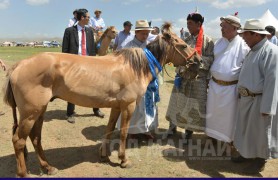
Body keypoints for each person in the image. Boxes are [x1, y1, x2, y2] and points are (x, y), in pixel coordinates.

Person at [232, 19, 278, 174]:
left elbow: (273, 82)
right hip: (247, 99)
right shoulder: (253, 49)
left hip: (260, 101)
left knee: (260, 134)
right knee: (246, 130)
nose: (243, 37)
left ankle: (259, 161)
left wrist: (267, 107)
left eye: (246, 34)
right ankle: (247, 154)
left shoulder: (271, 52)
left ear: (256, 35)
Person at [165, 12, 214, 141]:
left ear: (199, 24)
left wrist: (195, 60)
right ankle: (172, 127)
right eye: (187, 24)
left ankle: (188, 131)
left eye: (190, 24)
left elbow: (210, 59)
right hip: (183, 76)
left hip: (198, 79)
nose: (188, 27)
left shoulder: (208, 41)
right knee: (176, 102)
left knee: (193, 107)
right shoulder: (185, 40)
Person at [205, 13, 250, 144]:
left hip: (231, 89)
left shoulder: (243, 45)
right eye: (221, 26)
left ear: (235, 29)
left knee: (228, 117)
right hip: (214, 87)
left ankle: (227, 141)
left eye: (225, 26)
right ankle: (212, 137)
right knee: (212, 114)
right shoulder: (218, 42)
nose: (221, 29)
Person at [62, 8, 105, 123]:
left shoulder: (90, 31)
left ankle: (96, 109)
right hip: (74, 64)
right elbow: (65, 50)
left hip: (88, 63)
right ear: (82, 18)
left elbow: (91, 48)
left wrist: (94, 62)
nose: (89, 19)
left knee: (94, 87)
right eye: (87, 17)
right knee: (72, 88)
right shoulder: (69, 31)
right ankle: (70, 113)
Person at [116, 20, 157, 139]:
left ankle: (145, 130)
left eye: (147, 34)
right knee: (132, 108)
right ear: (137, 32)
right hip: (132, 84)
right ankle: (130, 131)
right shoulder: (128, 47)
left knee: (147, 106)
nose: (145, 36)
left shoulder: (149, 46)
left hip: (147, 83)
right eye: (143, 33)